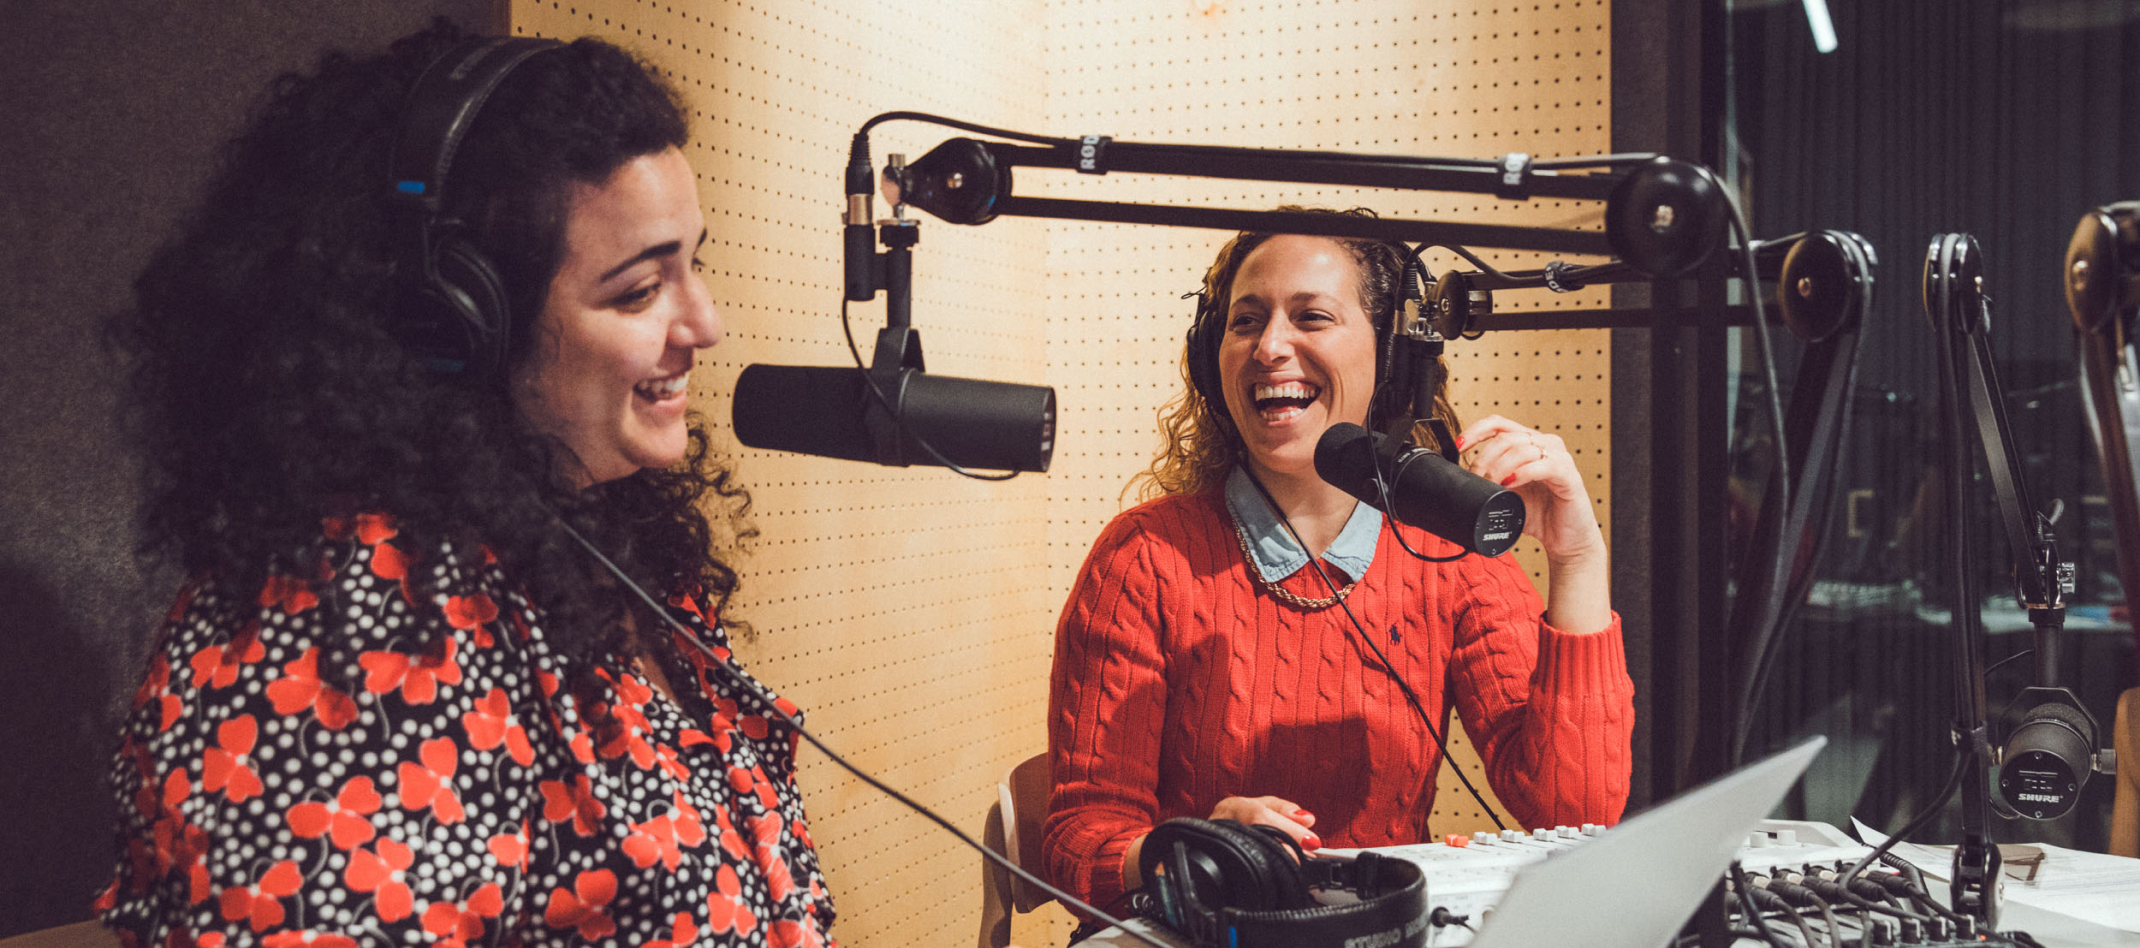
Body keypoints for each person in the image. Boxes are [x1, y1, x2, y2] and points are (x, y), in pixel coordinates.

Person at [97, 23, 836, 948]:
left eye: (697, 262)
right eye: (640, 290)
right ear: (456, 325)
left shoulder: (605, 543)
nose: (706, 322)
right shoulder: (345, 635)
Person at [1041, 214, 1636, 917]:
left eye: (1312, 317)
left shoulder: (1450, 557)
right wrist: (1193, 850)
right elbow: (1079, 842)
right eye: (1246, 322)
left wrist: (1577, 558)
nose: (1269, 347)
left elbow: (1576, 813)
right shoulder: (1144, 559)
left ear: (1390, 355)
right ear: (1211, 357)